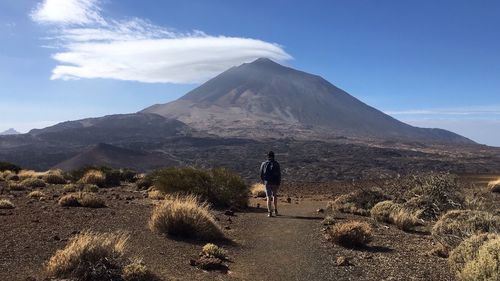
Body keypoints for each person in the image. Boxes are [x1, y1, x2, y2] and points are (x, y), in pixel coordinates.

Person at [260, 151, 281, 217]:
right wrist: (278, 182)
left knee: (268, 197)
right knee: (274, 196)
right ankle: (276, 210)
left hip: (267, 182)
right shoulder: (276, 163)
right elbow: (279, 174)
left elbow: (261, 173)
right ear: (274, 156)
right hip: (275, 182)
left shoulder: (264, 163)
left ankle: (269, 212)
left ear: (268, 156)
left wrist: (264, 180)